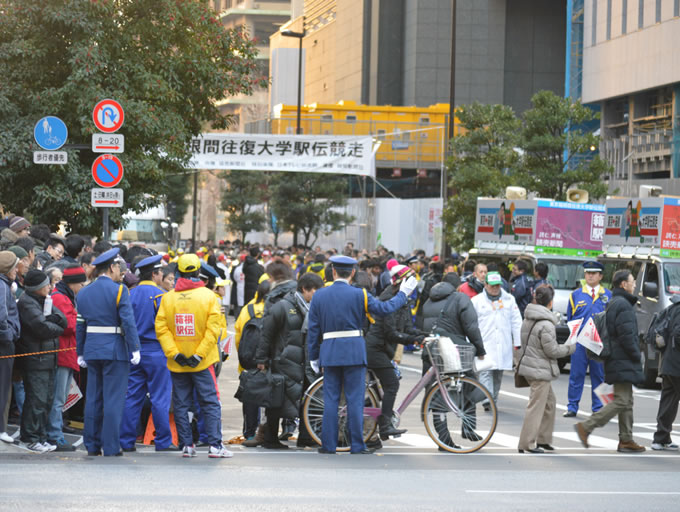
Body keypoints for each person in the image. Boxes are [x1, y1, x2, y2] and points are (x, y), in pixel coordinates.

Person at [307, 255, 417, 455]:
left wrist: (314, 356)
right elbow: (385, 309)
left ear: (333, 272)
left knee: (331, 399)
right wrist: (403, 293)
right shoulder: (360, 294)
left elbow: (313, 330)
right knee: (355, 399)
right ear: (352, 273)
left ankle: (328, 445)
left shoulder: (319, 296)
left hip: (330, 350)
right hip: (354, 351)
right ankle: (357, 445)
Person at [155, 253, 231, 458]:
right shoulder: (209, 297)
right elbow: (213, 329)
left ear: (178, 272)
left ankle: (187, 445)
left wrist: (175, 353)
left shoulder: (168, 298)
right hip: (203, 362)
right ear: (198, 272)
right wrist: (199, 355)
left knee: (180, 403)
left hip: (177, 362)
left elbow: (161, 328)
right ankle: (215, 445)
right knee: (210, 402)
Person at [75, 248, 142, 456]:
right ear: (112, 267)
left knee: (93, 398)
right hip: (114, 350)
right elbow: (128, 322)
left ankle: (92, 445)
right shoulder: (120, 290)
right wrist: (135, 348)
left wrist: (80, 351)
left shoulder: (84, 291)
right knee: (113, 400)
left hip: (92, 349)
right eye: (118, 268)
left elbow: (80, 325)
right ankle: (111, 446)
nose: (119, 272)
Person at [574, 270, 646, 453]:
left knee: (627, 400)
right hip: (622, 358)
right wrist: (637, 355)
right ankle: (587, 426)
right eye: (633, 281)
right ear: (623, 284)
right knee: (622, 400)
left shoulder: (615, 302)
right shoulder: (622, 305)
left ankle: (626, 439)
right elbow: (627, 335)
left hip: (618, 359)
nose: (635, 285)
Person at [256, 272, 324, 449]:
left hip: (305, 362)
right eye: (316, 291)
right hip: (284, 361)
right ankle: (270, 439)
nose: (318, 295)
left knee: (307, 399)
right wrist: (262, 358)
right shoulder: (282, 307)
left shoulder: (313, 308)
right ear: (304, 289)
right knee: (277, 401)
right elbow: (266, 333)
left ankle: (305, 437)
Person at [120, 255, 175, 452]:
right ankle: (163, 441)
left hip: (135, 351)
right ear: (154, 274)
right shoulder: (162, 296)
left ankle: (126, 440)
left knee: (133, 396)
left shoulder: (129, 294)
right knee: (160, 397)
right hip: (157, 352)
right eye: (161, 272)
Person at [366, 265, 424, 444]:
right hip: (374, 349)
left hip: (384, 349)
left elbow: (406, 328)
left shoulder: (404, 300)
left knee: (383, 390)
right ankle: (385, 426)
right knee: (391, 384)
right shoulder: (389, 298)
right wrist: (412, 340)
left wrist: (423, 335)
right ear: (402, 281)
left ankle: (379, 427)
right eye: (410, 279)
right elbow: (391, 332)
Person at [517, 285, 575, 453]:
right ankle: (527, 443)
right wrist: (571, 347)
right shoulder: (547, 324)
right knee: (536, 406)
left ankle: (543, 439)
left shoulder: (528, 317)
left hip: (530, 366)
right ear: (551, 302)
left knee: (549, 403)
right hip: (539, 370)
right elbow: (553, 351)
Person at [16, 269, 67, 452]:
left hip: (48, 357)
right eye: (46, 284)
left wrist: (52, 320)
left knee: (47, 400)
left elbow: (63, 320)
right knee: (36, 400)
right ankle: (29, 437)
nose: (50, 286)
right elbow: (42, 328)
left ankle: (41, 436)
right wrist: (54, 324)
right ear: (37, 287)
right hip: (35, 359)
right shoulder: (27, 302)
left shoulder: (46, 300)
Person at [563, 261, 612, 417]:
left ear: (600, 276)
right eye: (588, 273)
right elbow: (570, 318)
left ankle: (598, 408)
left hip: (599, 343)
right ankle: (572, 406)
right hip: (579, 342)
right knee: (576, 374)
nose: (590, 276)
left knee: (599, 375)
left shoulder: (608, 295)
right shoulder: (575, 295)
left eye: (594, 273)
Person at [47, 265, 87, 451]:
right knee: (58, 398)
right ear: (72, 283)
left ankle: (55, 433)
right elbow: (69, 325)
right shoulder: (61, 298)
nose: (82, 286)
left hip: (65, 352)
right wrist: (81, 318)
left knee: (60, 397)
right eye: (81, 283)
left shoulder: (63, 296)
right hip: (62, 353)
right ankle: (55, 435)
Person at [472, 271, 522, 409]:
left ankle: (493, 399)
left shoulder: (509, 300)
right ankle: (487, 398)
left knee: (498, 374)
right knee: (485, 371)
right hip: (484, 343)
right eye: (492, 285)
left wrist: (518, 342)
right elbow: (470, 323)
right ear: (486, 284)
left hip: (503, 344)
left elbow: (516, 321)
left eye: (497, 286)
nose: (495, 288)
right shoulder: (476, 301)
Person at [651, 297, 680, 451]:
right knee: (669, 400)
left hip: (669, 363)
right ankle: (661, 437)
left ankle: (661, 438)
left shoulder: (673, 307)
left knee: (669, 400)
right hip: (676, 364)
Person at [0, 252, 21, 444]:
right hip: (4, 346)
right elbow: (2, 317)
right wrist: (9, 335)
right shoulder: (3, 286)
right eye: (14, 266)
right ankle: (1, 429)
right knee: (3, 387)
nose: (17, 270)